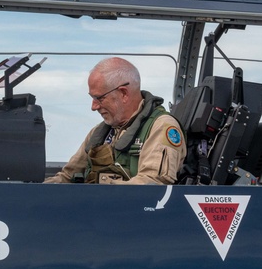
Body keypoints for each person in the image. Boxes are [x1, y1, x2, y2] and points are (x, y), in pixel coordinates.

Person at [45, 57, 186, 184]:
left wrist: (99, 196)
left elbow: (151, 184)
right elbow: (67, 177)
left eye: (99, 98)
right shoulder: (100, 133)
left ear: (123, 93)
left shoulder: (161, 127)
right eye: (92, 98)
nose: (94, 107)